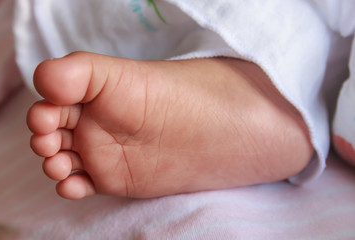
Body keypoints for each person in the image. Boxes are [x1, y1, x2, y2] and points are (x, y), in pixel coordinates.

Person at [21, 0, 353, 200]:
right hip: (282, 33)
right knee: (296, 43)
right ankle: (262, 101)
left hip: (87, 25)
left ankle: (252, 100)